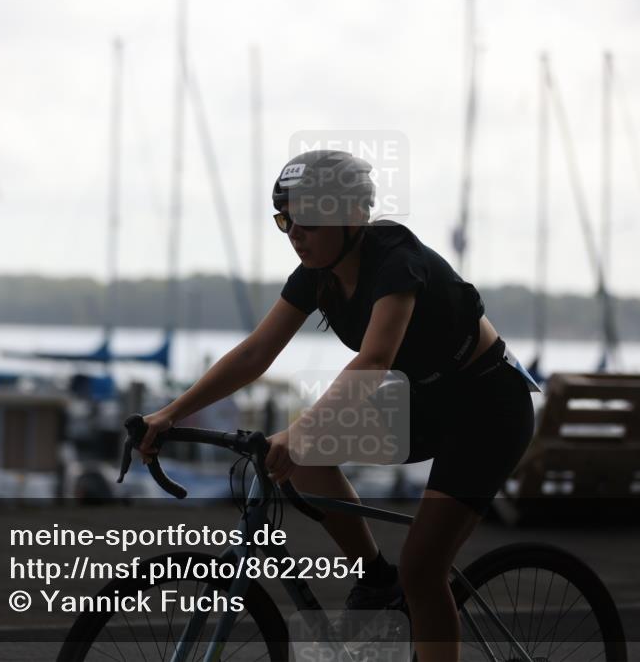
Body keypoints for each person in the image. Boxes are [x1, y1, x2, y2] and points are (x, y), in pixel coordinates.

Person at [139, 149, 538, 662]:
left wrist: (299, 430)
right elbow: (256, 353)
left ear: (351, 216)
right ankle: (375, 577)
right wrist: (171, 412)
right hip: (427, 399)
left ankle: (405, 586)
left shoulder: (397, 262)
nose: (293, 233)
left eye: (305, 219)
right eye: (283, 219)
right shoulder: (317, 273)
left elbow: (374, 362)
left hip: (488, 407)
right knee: (304, 459)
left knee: (422, 566)